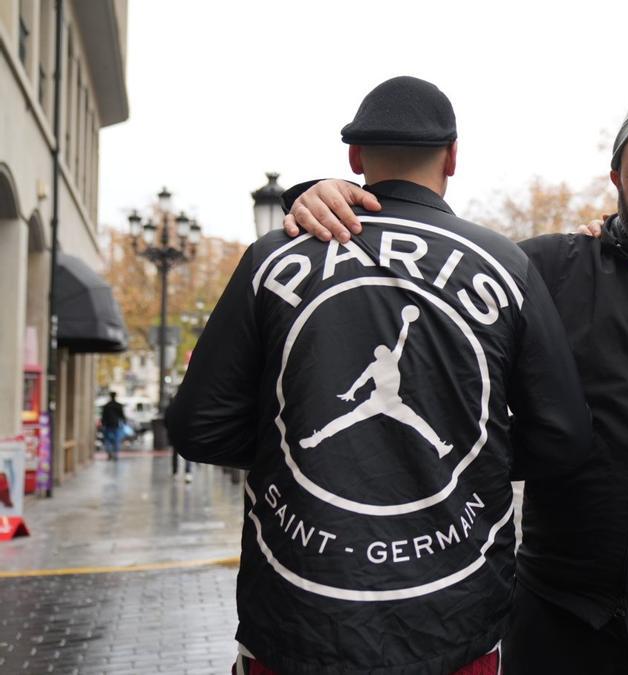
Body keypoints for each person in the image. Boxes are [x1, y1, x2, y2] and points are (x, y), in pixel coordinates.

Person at [283, 90, 628, 674]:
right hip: (559, 615)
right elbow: (429, 264)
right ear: (616, 181)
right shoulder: (553, 268)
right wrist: (317, 196)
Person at [165, 76, 592, 675]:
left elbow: (197, 428)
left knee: (360, 421)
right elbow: (566, 435)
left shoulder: (273, 257)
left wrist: (290, 447)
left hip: (297, 623)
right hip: (453, 625)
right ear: (453, 157)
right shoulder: (507, 266)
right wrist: (475, 459)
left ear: (355, 158)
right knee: (392, 421)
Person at [100, 392, 125, 461]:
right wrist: (124, 422)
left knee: (108, 440)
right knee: (116, 440)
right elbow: (122, 416)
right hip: (115, 425)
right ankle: (115, 454)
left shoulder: (107, 405)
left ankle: (109, 453)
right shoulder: (118, 405)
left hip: (108, 425)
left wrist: (103, 424)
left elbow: (103, 416)